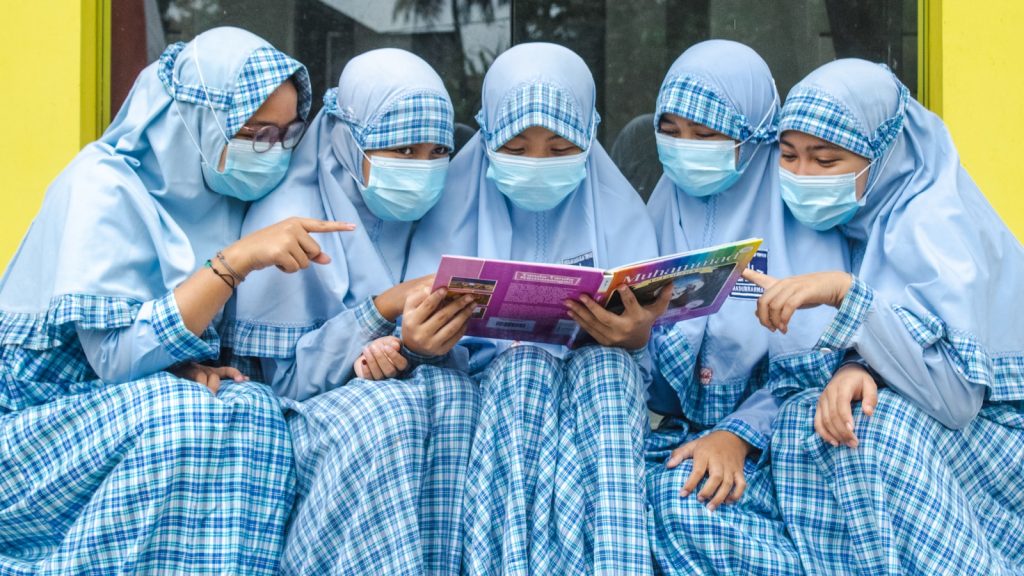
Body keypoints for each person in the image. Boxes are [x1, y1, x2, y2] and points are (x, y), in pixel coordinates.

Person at [0, 27, 354, 573]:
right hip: (33, 429)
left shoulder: (227, 191)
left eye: (286, 135)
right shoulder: (103, 184)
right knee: (181, 417)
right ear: (195, 119)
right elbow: (115, 361)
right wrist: (234, 262)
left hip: (119, 410)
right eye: (256, 132)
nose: (273, 152)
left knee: (254, 412)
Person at [746, 58, 1024, 574]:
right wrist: (857, 368)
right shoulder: (856, 220)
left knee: (871, 427)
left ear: (884, 154)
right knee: (806, 422)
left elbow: (957, 396)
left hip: (999, 436)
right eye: (789, 156)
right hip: (935, 427)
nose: (802, 176)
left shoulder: (935, 222)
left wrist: (844, 294)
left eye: (825, 161)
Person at [409, 42, 663, 576]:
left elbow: (656, 358)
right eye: (516, 147)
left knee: (610, 373)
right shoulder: (448, 207)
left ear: (589, 136)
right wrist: (424, 344)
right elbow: (408, 329)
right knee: (522, 371)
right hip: (491, 393)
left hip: (598, 394)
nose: (538, 165)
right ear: (487, 137)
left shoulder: (622, 212)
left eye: (561, 146)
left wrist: (636, 338)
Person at [227, 48, 479, 575]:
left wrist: (409, 351)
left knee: (453, 397)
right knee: (384, 413)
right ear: (346, 136)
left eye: (437, 152)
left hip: (397, 403)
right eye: (403, 150)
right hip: (298, 421)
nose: (421, 169)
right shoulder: (285, 218)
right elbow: (278, 386)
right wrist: (383, 308)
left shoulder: (436, 212)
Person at [642, 40, 849, 575]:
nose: (687, 149)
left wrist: (738, 434)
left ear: (756, 137)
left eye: (707, 135)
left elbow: (822, 361)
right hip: (684, 440)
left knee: (690, 506)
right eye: (672, 131)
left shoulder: (805, 219)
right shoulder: (663, 207)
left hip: (788, 444)